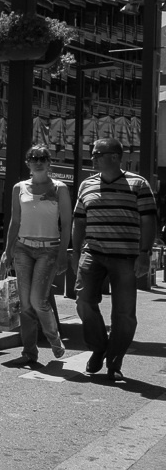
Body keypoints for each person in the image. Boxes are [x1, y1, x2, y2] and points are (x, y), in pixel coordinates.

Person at [72, 137, 157, 381]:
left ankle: (115, 359)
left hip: (126, 256)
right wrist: (75, 253)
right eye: (93, 153)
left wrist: (145, 253)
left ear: (115, 157)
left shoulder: (138, 184)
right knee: (84, 301)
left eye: (97, 154)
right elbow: (79, 221)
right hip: (93, 253)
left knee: (124, 313)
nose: (93, 158)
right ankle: (99, 346)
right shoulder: (86, 184)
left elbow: (148, 220)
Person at [2, 145, 71, 366]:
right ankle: (29, 353)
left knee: (37, 301)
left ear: (49, 162)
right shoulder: (19, 188)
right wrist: (7, 251)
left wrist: (63, 254)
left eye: (42, 158)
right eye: (33, 158)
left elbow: (67, 224)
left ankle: (54, 339)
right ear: (28, 163)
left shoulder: (59, 188)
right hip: (23, 248)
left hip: (49, 250)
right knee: (25, 305)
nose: (38, 162)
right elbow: (15, 221)